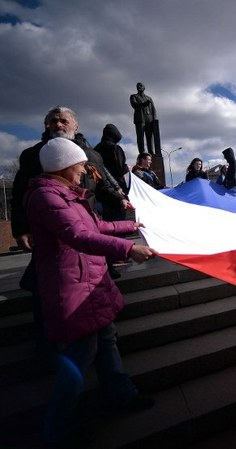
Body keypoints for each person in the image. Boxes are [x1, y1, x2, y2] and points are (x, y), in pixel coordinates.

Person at [24, 137, 158, 447]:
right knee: (80, 356)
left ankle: (120, 395)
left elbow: (97, 226)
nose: (85, 170)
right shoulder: (47, 197)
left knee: (107, 343)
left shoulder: (69, 195)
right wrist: (129, 249)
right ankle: (61, 427)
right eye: (82, 165)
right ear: (65, 165)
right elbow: (79, 236)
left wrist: (134, 226)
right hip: (71, 287)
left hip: (89, 281)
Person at [11, 106, 132, 347]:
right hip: (55, 236)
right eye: (53, 120)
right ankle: (51, 337)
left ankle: (103, 332)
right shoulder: (32, 155)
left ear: (75, 126)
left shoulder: (92, 155)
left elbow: (103, 184)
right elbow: (19, 193)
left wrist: (119, 199)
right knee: (52, 286)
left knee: (96, 282)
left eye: (63, 120)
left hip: (91, 227)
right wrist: (21, 228)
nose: (58, 124)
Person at [93, 123, 130, 221]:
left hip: (101, 191)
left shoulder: (95, 149)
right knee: (119, 222)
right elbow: (121, 168)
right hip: (117, 189)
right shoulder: (115, 148)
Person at [130, 82, 158, 155]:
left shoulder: (149, 98)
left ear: (144, 88)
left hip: (150, 119)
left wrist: (154, 120)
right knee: (140, 137)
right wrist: (144, 104)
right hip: (140, 119)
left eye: (140, 86)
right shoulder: (133, 96)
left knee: (149, 137)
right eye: (137, 86)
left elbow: (153, 109)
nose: (139, 87)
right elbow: (135, 105)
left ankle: (151, 151)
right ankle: (142, 152)